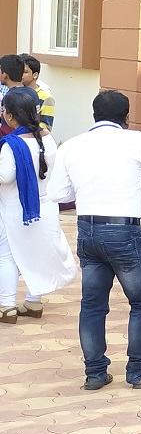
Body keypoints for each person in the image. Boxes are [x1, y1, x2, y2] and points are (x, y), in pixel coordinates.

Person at [47, 90, 141, 390]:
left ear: (94, 115)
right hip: (125, 231)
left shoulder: (73, 145)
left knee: (92, 305)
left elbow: (57, 194)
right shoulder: (137, 141)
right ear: (126, 117)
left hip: (88, 230)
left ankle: (95, 373)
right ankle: (139, 370)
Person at [0, 90, 76, 324]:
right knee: (37, 253)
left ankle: (6, 305)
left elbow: (5, 176)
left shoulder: (12, 145)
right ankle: (33, 301)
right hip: (44, 207)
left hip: (16, 209)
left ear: (10, 116)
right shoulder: (48, 139)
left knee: (7, 254)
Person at [0, 55, 40, 136]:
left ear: (5, 75)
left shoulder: (10, 97)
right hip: (31, 137)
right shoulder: (33, 92)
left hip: (13, 139)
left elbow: (7, 128)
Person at [20, 55, 55, 129]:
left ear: (35, 75)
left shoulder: (46, 98)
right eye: (19, 71)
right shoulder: (15, 92)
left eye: (25, 72)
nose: (21, 75)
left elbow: (46, 126)